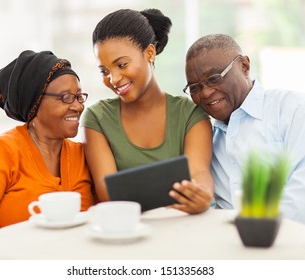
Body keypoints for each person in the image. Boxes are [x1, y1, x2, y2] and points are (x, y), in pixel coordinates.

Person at [184, 33, 305, 258]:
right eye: (195, 87)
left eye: (214, 78)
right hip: (234, 255)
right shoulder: (205, 138)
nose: (205, 92)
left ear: (244, 65)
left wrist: (247, 233)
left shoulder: (293, 110)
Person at [0, 50, 94, 260]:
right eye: (66, 97)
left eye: (79, 96)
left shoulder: (83, 155)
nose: (78, 106)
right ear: (35, 104)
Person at [81, 8, 213, 214]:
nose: (113, 79)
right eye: (104, 71)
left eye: (122, 64)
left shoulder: (190, 115)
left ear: (149, 53)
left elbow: (198, 173)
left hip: (182, 229)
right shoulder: (97, 118)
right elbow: (109, 193)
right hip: (127, 232)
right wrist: (175, 193)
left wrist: (201, 195)